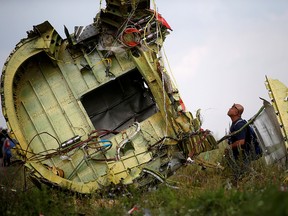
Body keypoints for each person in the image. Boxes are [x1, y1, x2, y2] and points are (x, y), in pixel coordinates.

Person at [225, 103, 250, 180]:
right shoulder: (235, 124)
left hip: (244, 155)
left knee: (242, 176)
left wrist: (230, 147)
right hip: (239, 156)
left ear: (236, 113)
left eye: (233, 107)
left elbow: (241, 141)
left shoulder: (239, 124)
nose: (230, 108)